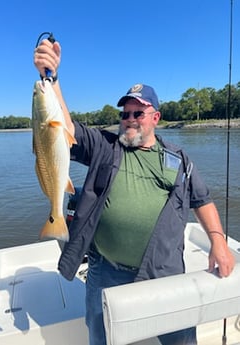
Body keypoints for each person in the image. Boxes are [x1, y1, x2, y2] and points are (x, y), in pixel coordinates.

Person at [34, 39, 235, 345]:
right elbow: (66, 127)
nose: (128, 120)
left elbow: (202, 200)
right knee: (101, 337)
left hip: (164, 272)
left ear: (156, 118)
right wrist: (52, 78)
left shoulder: (179, 159)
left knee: (179, 339)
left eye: (137, 113)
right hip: (105, 272)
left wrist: (218, 242)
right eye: (125, 114)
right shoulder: (105, 147)